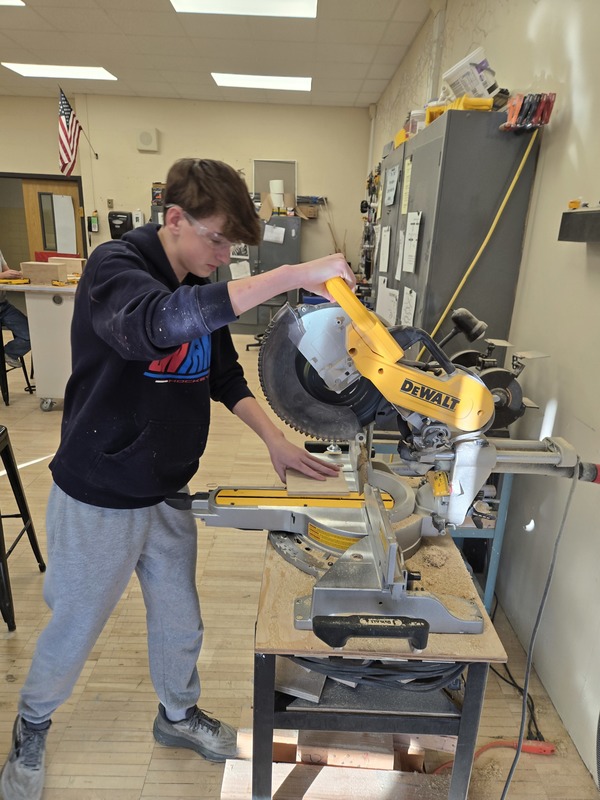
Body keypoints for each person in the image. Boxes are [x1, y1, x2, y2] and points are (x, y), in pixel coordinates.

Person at [0, 158, 355, 800]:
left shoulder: (195, 274)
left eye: (232, 246)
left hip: (165, 488)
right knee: (77, 624)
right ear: (174, 219)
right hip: (100, 492)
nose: (222, 256)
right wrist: (293, 276)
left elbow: (221, 374)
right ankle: (31, 726)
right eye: (216, 238)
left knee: (179, 618)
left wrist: (275, 439)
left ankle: (177, 715)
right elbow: (159, 326)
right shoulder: (116, 269)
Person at [0, 250, 31, 369]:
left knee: (31, 333)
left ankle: (8, 353)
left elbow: (6, 270)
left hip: (3, 305)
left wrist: (15, 274)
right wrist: (2, 275)